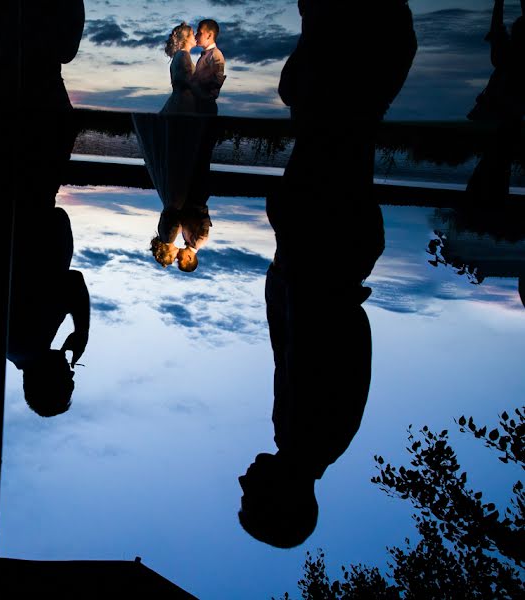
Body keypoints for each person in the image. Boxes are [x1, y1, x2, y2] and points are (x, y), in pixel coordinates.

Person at [239, 0, 416, 548]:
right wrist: (294, 252)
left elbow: (309, 331)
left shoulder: (312, 439)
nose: (244, 479)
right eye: (250, 494)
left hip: (330, 243)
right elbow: (312, 324)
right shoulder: (307, 433)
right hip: (325, 242)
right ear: (280, 496)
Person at [0, 2, 90, 417]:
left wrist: (81, 330)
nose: (72, 374)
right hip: (7, 199)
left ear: (53, 381)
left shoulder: (29, 339)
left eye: (68, 382)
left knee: (57, 125)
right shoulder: (16, 346)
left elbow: (72, 283)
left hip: (24, 195)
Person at [135, 22, 217, 272]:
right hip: (186, 102)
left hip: (185, 103)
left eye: (173, 257)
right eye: (193, 34)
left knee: (184, 140)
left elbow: (184, 82)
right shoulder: (183, 56)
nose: (195, 37)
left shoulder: (170, 235)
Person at [466, 0, 525, 203]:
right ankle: (489, 201)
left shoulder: (505, 55)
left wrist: (498, 2)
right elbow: (497, 28)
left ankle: (484, 200)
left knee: (495, 161)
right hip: (508, 116)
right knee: (498, 162)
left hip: (502, 115)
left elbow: (497, 27)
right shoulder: (507, 55)